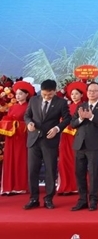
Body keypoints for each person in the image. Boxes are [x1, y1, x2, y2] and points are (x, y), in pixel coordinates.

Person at [23, 79, 70, 210]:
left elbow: (67, 119)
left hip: (50, 140)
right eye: (44, 94)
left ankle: (48, 198)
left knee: (50, 170)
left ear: (54, 91)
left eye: (49, 94)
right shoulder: (33, 100)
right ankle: (33, 198)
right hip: (33, 140)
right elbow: (27, 115)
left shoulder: (61, 103)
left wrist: (57, 129)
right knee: (32, 170)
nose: (46, 97)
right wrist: (29, 123)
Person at [70, 81, 98, 211]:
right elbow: (73, 124)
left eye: (94, 91)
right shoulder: (81, 106)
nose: (91, 93)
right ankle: (82, 200)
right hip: (79, 144)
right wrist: (81, 119)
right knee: (79, 173)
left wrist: (92, 117)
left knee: (93, 173)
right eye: (89, 91)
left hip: (94, 145)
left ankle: (93, 201)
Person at [0, 80, 35, 195]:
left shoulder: (29, 107)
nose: (18, 96)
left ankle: (20, 186)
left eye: (21, 93)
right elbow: (6, 119)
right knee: (10, 159)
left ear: (26, 95)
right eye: (17, 93)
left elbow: (29, 122)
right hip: (11, 138)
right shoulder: (12, 107)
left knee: (20, 159)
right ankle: (9, 186)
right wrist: (8, 123)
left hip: (22, 137)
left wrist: (15, 124)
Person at [57, 81, 86, 196]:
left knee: (77, 161)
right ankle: (65, 186)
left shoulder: (85, 106)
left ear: (82, 95)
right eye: (72, 94)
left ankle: (77, 186)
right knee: (64, 161)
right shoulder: (67, 107)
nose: (74, 96)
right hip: (65, 137)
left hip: (77, 137)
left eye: (76, 94)